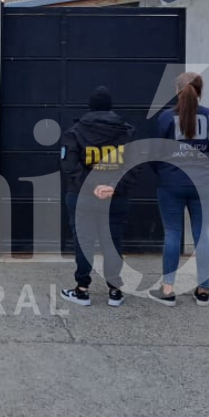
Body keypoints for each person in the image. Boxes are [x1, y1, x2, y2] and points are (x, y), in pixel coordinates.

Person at [147, 72, 209, 307]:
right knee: (203, 235)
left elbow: (155, 153)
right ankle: (203, 290)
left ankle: (168, 289)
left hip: (172, 182)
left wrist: (164, 173)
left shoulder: (166, 118)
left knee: (172, 233)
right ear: (200, 90)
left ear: (177, 90)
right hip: (204, 182)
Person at [59, 87, 135, 307]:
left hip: (82, 196)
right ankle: (115, 291)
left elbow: (69, 167)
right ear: (110, 107)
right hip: (115, 196)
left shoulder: (74, 132)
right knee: (113, 240)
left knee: (84, 242)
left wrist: (92, 187)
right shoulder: (127, 132)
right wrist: (112, 186)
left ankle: (82, 290)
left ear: (90, 107)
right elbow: (133, 166)